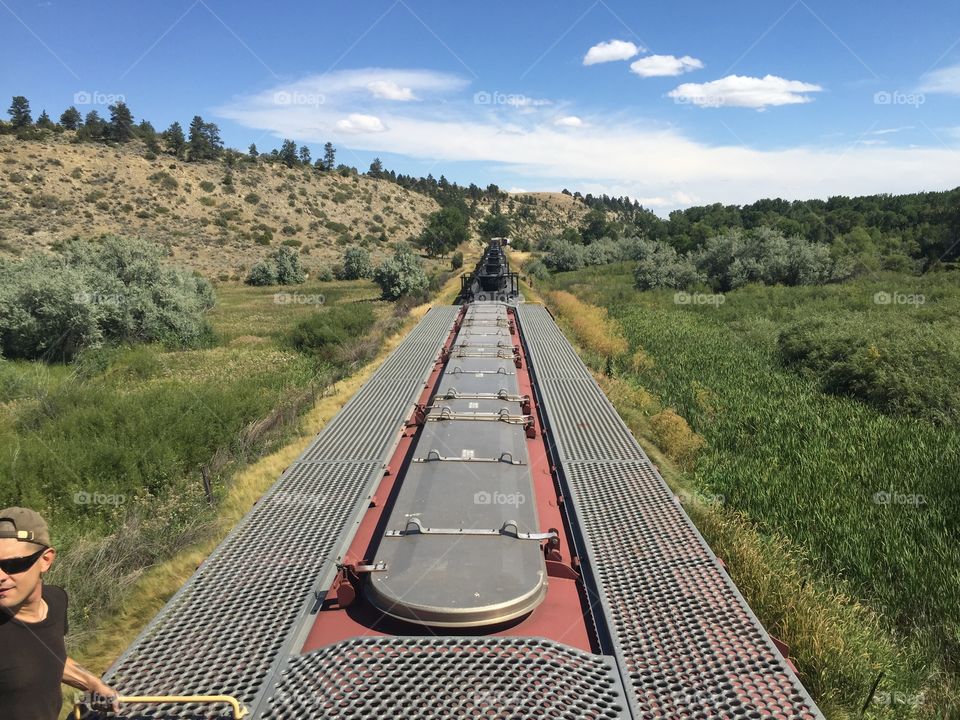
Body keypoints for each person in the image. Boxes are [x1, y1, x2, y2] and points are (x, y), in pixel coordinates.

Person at [0, 507, 119, 719]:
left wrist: (91, 684)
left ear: (45, 560)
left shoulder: (56, 600)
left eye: (11, 564)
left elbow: (49, 656)